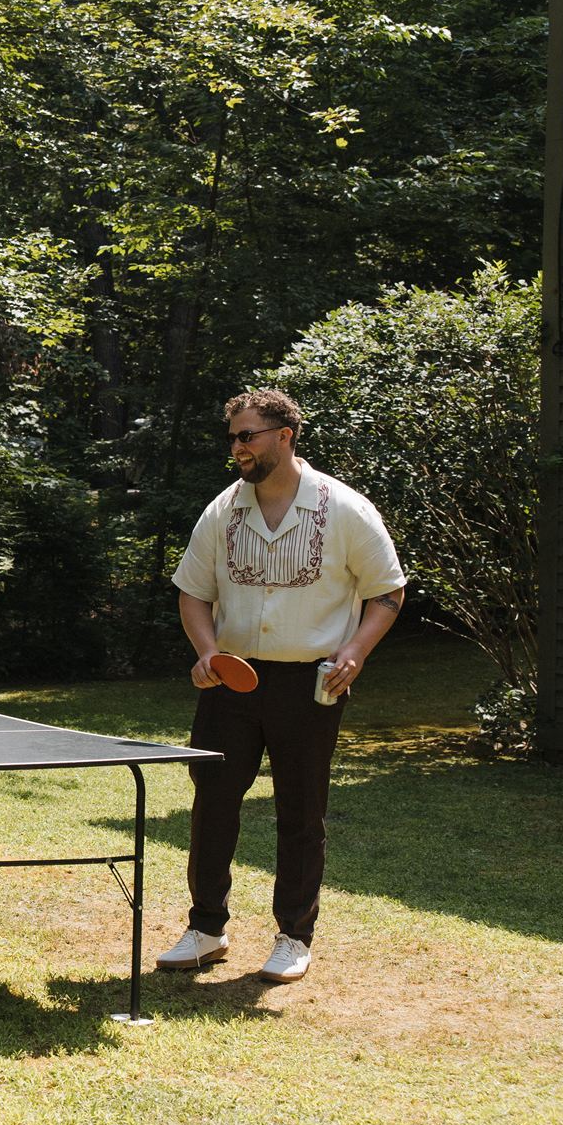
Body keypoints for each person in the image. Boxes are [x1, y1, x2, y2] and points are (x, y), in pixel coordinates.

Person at [158, 388, 406, 984]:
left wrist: (354, 651)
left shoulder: (344, 509)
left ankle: (294, 936)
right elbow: (193, 592)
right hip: (231, 681)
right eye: (234, 438)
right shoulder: (222, 511)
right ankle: (206, 929)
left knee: (300, 812)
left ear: (284, 436)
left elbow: (388, 591)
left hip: (309, 684)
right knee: (212, 803)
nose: (238, 448)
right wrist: (208, 652)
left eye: (248, 436)